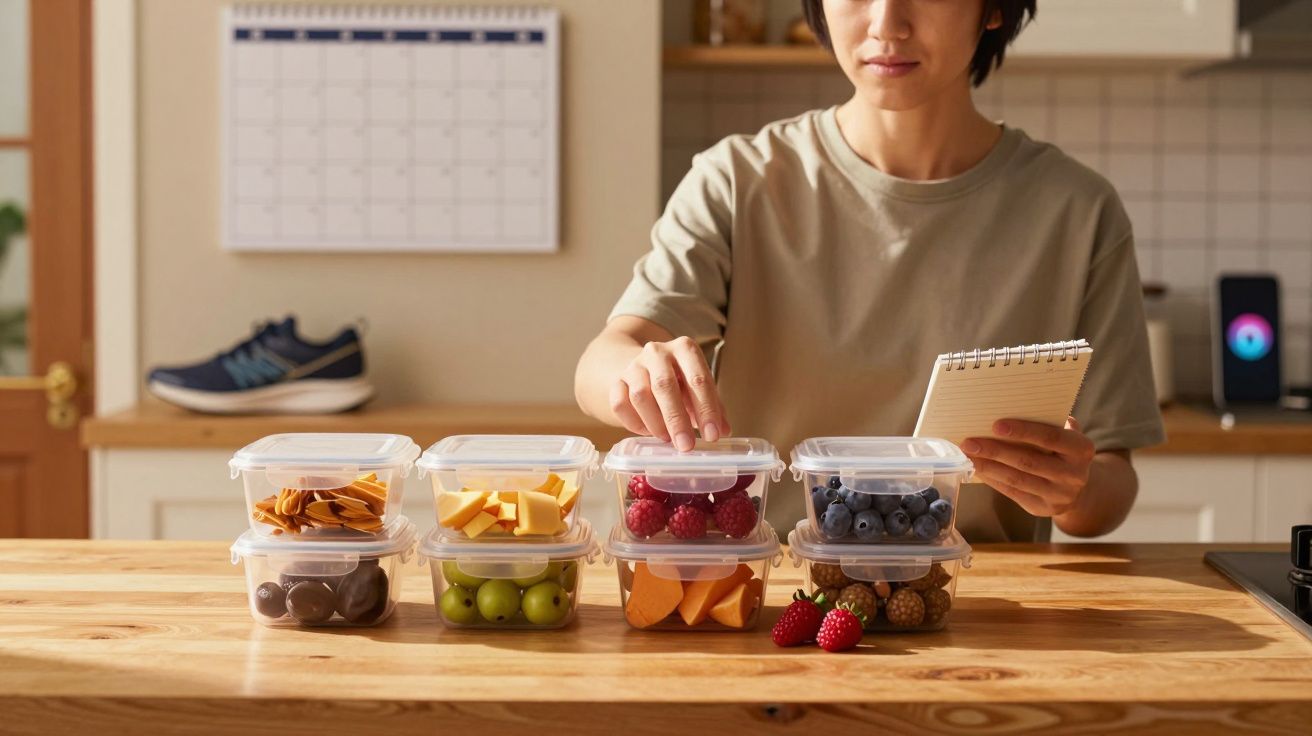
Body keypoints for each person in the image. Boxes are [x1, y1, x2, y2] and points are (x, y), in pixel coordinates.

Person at [574, 0, 1165, 542]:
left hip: (981, 608)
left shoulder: (1079, 211)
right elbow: (605, 356)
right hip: (770, 593)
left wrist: (1071, 490)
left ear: (993, 9)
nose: (887, 22)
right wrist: (635, 372)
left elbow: (1112, 482)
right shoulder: (738, 179)